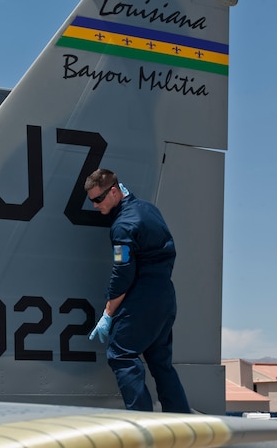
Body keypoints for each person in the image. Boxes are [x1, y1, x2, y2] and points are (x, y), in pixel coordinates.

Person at [85, 168, 190, 413]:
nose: (95, 205)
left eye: (99, 199)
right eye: (91, 201)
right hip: (164, 297)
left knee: (121, 355)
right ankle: (182, 422)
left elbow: (123, 272)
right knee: (161, 363)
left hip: (141, 299)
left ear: (113, 191)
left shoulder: (123, 227)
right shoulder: (148, 209)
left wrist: (108, 313)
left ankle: (143, 425)